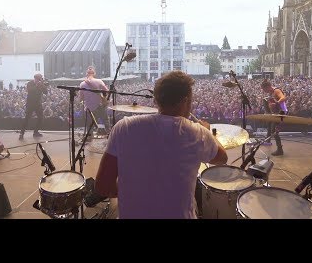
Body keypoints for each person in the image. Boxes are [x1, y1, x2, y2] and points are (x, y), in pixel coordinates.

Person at [95, 70, 228, 219]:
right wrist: (207, 131)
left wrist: (137, 192)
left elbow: (103, 186)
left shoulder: (124, 127)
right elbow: (222, 158)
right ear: (185, 101)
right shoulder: (197, 133)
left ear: (156, 100)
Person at [79, 66, 111, 140]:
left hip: (89, 109)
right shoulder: (99, 81)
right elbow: (107, 91)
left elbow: (81, 99)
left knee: (90, 126)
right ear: (94, 73)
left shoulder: (82, 84)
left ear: (86, 74)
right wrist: (104, 98)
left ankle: (90, 140)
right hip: (100, 106)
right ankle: (110, 138)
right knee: (106, 122)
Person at [261, 80, 288, 156]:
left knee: (274, 131)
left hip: (282, 112)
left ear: (268, 87)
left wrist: (276, 103)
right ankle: (278, 148)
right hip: (276, 113)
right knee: (273, 130)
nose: (264, 91)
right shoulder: (270, 93)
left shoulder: (276, 90)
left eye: (264, 89)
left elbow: (283, 98)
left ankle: (280, 150)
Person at [19, 73, 48, 140]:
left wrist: (43, 85)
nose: (39, 80)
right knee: (27, 119)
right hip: (30, 104)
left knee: (40, 118)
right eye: (39, 79)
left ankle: (35, 132)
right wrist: (37, 86)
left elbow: (45, 92)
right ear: (35, 78)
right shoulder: (30, 83)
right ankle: (21, 133)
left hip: (38, 104)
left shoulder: (41, 84)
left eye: (40, 79)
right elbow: (30, 90)